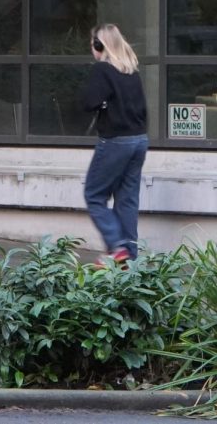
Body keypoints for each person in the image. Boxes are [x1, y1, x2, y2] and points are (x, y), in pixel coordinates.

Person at [79, 24, 149, 265]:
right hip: (139, 140)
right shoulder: (131, 70)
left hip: (116, 141)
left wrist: (103, 104)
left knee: (94, 194)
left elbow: (88, 102)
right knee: (127, 199)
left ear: (100, 46)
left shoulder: (103, 70)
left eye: (93, 45)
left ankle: (117, 247)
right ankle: (130, 259)